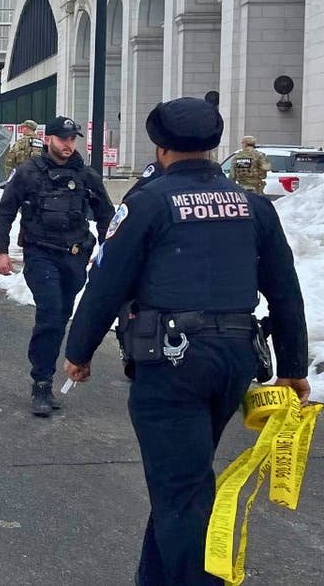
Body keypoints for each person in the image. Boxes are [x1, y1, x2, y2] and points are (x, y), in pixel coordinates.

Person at [62, 98, 309, 584]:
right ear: (214, 145)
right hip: (235, 360)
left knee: (183, 491)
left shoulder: (148, 203)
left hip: (173, 363)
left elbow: (109, 281)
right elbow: (285, 290)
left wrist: (78, 351)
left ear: (161, 145)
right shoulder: (253, 205)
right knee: (185, 482)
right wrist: (294, 367)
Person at [0, 116, 114, 416]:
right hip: (40, 253)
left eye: (72, 139)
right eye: (62, 139)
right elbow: (5, 211)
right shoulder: (28, 172)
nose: (68, 145)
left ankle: (46, 371)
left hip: (73, 256)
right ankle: (42, 383)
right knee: (49, 313)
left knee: (60, 316)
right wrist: (1, 252)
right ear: (48, 139)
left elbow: (107, 217)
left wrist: (108, 254)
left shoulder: (86, 176)